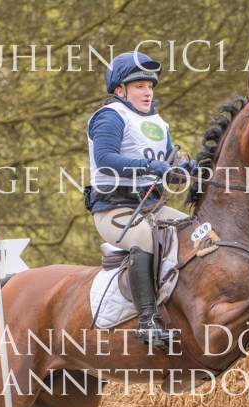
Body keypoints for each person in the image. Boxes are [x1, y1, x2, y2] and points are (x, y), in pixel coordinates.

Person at [86, 51, 195, 351]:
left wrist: (186, 170)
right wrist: (150, 167)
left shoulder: (159, 123)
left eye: (150, 86)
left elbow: (169, 168)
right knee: (145, 238)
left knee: (197, 231)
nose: (148, 92)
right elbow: (105, 159)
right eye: (139, 86)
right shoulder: (110, 115)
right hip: (115, 208)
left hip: (152, 207)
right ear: (120, 90)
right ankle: (147, 321)